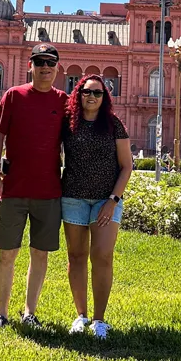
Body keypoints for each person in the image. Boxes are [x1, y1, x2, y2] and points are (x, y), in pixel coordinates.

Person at [0, 43, 68, 334]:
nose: (45, 67)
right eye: (40, 62)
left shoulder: (64, 102)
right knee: (7, 253)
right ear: (30, 65)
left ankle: (30, 312)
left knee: (40, 254)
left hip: (49, 190)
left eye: (50, 62)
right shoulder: (14, 96)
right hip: (13, 189)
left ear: (58, 67)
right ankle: (1, 314)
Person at [61, 75, 132, 339]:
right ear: (78, 94)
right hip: (73, 198)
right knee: (76, 257)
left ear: (105, 97)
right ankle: (81, 316)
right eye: (87, 92)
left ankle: (100, 320)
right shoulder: (68, 124)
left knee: (102, 256)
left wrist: (113, 201)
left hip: (106, 200)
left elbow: (126, 166)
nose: (92, 97)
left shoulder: (113, 124)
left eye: (98, 93)